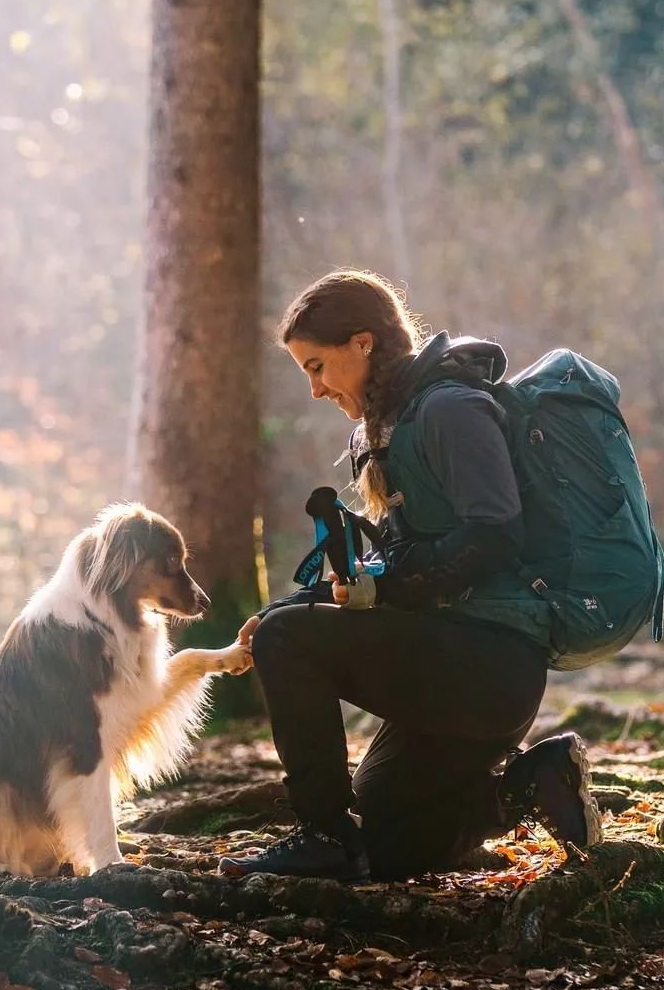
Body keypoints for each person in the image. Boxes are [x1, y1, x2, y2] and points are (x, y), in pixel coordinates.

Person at [218, 269, 602, 883]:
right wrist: (289, 607)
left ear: (362, 343)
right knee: (390, 847)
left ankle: (321, 835)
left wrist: (360, 599)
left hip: (489, 668)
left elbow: (494, 534)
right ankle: (529, 785)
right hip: (444, 670)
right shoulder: (387, 428)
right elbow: (392, 564)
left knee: (287, 640)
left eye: (317, 366)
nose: (314, 389)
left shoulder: (451, 409)